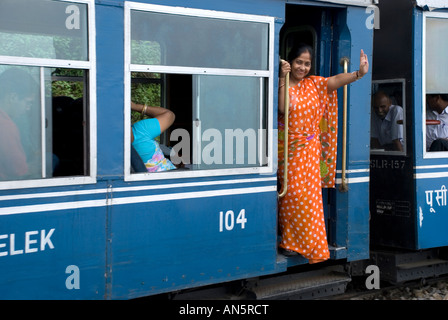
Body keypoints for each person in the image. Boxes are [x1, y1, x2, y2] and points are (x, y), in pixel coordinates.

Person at [278, 43, 369, 263]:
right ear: (291, 62)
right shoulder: (283, 85)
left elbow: (336, 80)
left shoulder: (314, 84)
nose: (303, 67)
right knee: (292, 195)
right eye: (299, 62)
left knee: (309, 200)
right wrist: (283, 78)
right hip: (287, 151)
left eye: (307, 63)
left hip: (309, 151)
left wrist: (358, 74)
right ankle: (289, 241)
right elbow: (282, 108)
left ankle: (305, 244)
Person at [0, 68, 38, 181]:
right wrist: (38, 163)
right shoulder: (5, 126)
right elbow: (18, 171)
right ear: (13, 97)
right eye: (28, 103)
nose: (28, 109)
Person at [131, 102, 176, 172]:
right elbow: (169, 115)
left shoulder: (140, 130)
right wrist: (136, 107)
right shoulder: (140, 130)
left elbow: (169, 115)